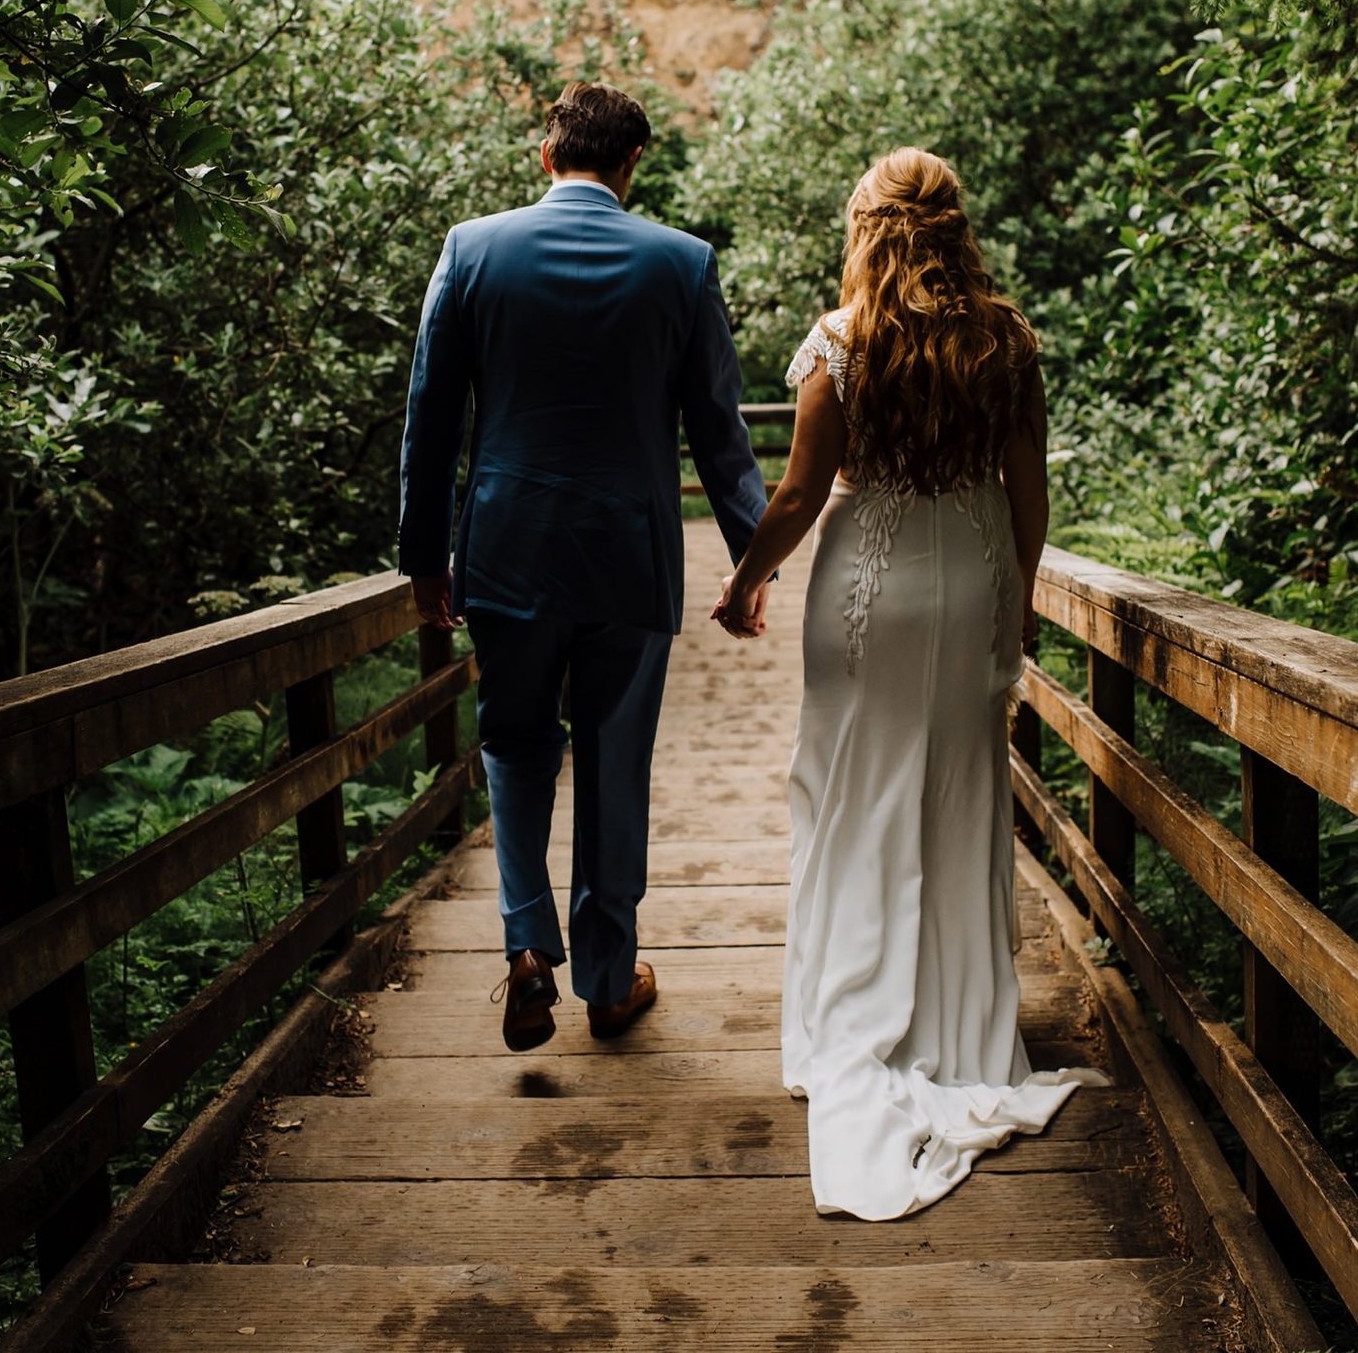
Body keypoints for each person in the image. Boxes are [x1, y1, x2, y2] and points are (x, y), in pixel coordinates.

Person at [712, 147, 1106, 1220]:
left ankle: (851, 1017)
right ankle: (963, 1026)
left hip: (867, 588)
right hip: (972, 568)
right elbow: (1029, 496)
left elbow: (797, 493)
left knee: (852, 790)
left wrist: (747, 577)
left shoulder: (841, 341)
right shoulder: (1007, 339)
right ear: (952, 228)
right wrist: (1015, 600)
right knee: (960, 789)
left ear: (866, 228)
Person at [398, 81, 771, 1051]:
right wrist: (752, 561)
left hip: (507, 550)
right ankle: (609, 980)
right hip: (629, 555)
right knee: (614, 761)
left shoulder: (471, 249)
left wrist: (421, 556)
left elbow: (431, 418)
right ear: (632, 163)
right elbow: (720, 436)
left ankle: (526, 945)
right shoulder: (681, 263)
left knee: (514, 744)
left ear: (545, 152)